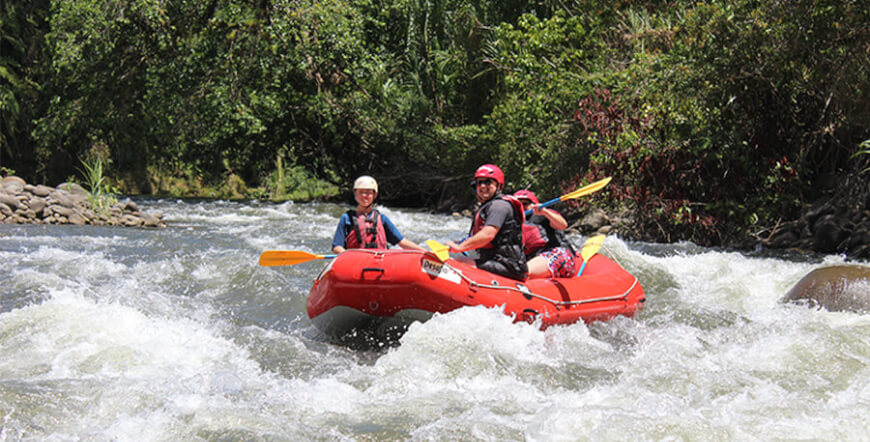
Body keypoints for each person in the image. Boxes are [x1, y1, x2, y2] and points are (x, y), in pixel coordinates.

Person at [445, 164, 527, 280]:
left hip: (508, 266)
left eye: (488, 182)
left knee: (457, 261)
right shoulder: (489, 206)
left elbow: (487, 235)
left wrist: (460, 248)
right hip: (494, 261)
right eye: (479, 182)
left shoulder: (499, 206)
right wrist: (456, 244)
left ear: (498, 186)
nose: (482, 186)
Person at [332, 175, 425, 254]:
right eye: (361, 192)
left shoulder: (382, 219)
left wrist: (425, 252)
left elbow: (402, 242)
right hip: (356, 263)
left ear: (374, 195)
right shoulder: (347, 218)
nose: (364, 196)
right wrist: (350, 257)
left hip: (379, 263)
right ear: (355, 194)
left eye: (368, 192)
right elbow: (337, 247)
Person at [514, 189, 577, 278]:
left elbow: (562, 225)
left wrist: (545, 212)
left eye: (524, 204)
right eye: (517, 205)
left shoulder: (542, 215)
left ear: (534, 204)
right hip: (533, 259)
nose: (521, 207)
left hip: (558, 255)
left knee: (522, 272)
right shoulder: (513, 222)